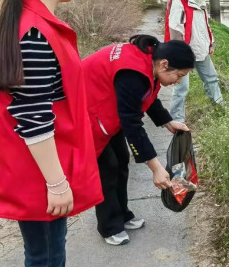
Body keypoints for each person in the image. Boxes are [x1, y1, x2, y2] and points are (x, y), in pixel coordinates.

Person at [0, 0, 102, 267]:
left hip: (38, 167)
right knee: (44, 260)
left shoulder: (31, 23)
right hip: (39, 172)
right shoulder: (35, 34)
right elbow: (33, 114)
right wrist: (56, 183)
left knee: (51, 256)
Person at [82, 34, 195, 245]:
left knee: (121, 161)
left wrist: (167, 121)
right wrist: (156, 168)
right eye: (179, 75)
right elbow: (132, 124)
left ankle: (122, 214)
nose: (178, 81)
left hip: (106, 110)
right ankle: (109, 226)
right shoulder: (132, 72)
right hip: (87, 113)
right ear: (164, 64)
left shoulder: (150, 61)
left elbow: (147, 96)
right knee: (108, 169)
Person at [165, 0, 223, 122]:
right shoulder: (180, 0)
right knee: (181, 87)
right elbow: (175, 29)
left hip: (201, 48)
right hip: (184, 52)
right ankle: (177, 121)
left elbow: (204, 24)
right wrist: (180, 53)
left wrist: (210, 43)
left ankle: (220, 108)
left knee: (212, 79)